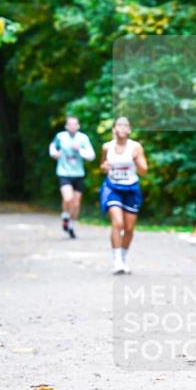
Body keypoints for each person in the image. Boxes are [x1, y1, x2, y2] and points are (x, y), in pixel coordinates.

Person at [99, 116, 147, 274]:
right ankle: (117, 260)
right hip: (112, 188)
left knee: (129, 228)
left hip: (131, 189)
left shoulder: (136, 147)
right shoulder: (107, 147)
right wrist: (104, 167)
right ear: (114, 129)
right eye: (119, 125)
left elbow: (144, 171)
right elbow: (102, 165)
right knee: (117, 223)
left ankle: (124, 257)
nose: (122, 128)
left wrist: (136, 160)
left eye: (126, 125)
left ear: (130, 129)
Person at [49, 116, 95, 239]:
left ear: (78, 126)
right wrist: (54, 154)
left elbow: (91, 156)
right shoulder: (60, 137)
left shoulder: (83, 138)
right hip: (64, 173)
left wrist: (80, 149)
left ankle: (71, 225)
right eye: (70, 124)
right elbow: (52, 147)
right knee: (68, 198)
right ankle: (65, 215)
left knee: (76, 204)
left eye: (74, 124)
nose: (72, 126)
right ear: (66, 126)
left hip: (78, 174)